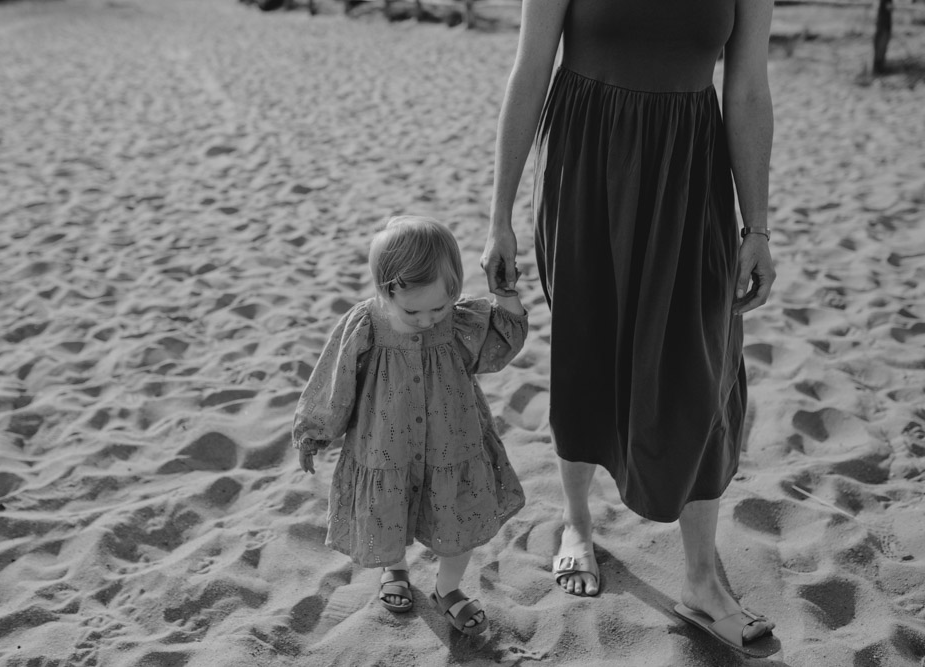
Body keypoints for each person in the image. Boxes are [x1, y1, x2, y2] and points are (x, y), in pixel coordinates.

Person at [481, 0, 778, 656]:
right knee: (589, 347)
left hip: (691, 169)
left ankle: (702, 577)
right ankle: (577, 523)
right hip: (587, 162)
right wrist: (499, 213)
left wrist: (757, 225)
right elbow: (531, 69)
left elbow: (749, 86)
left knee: (704, 358)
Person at [294, 215, 528, 635]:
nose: (426, 319)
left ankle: (448, 589)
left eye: (438, 306)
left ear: (453, 290)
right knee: (389, 511)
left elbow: (501, 343)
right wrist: (315, 430)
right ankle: (394, 570)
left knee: (459, 522)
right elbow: (336, 379)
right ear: (386, 292)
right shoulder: (365, 325)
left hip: (451, 445)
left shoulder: (458, 321)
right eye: (412, 310)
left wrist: (506, 293)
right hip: (385, 444)